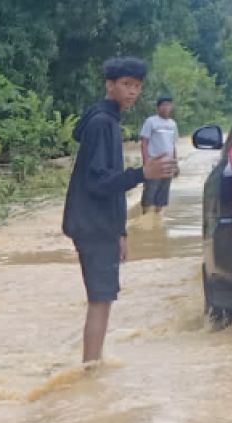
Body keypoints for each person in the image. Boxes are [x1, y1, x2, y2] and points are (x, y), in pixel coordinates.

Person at [62, 57, 178, 366]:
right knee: (101, 300)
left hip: (99, 223)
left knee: (102, 299)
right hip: (93, 222)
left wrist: (121, 231)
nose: (132, 92)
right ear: (109, 85)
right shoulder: (103, 124)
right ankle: (91, 373)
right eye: (126, 84)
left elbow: (108, 184)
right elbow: (99, 183)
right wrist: (143, 172)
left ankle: (92, 365)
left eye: (137, 86)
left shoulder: (105, 120)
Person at [140, 96, 180, 215]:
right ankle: (145, 217)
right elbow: (144, 142)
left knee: (163, 193)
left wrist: (175, 164)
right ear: (158, 107)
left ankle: (157, 218)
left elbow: (173, 145)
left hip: (168, 164)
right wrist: (146, 162)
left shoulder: (173, 124)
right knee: (150, 191)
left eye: (169, 105)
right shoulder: (151, 121)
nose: (166, 107)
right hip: (154, 163)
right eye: (164, 105)